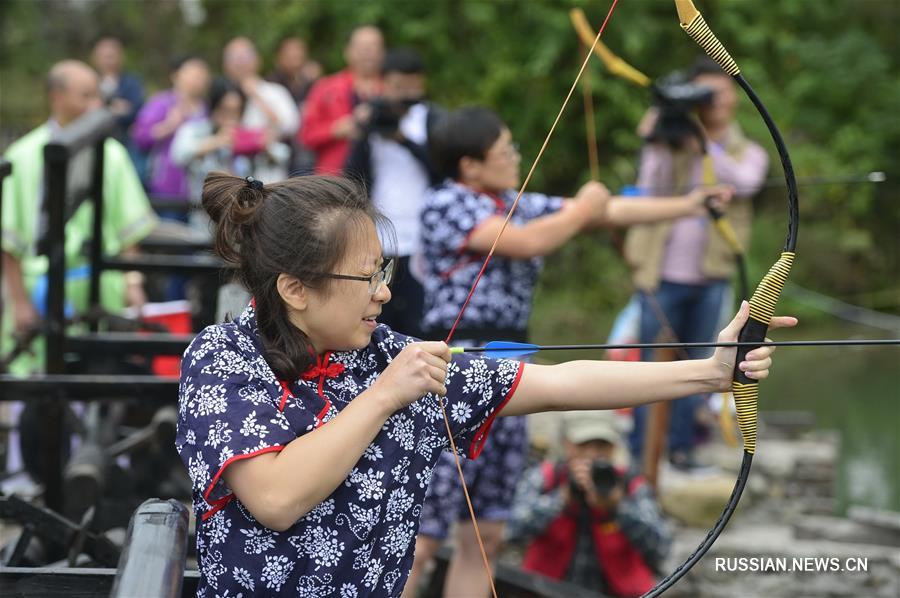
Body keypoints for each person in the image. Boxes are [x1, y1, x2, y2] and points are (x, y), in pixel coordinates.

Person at [175, 171, 791, 597]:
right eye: (366, 277)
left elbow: (556, 383)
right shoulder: (223, 358)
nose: (384, 292)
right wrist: (385, 395)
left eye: (384, 272)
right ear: (294, 288)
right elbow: (277, 498)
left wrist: (709, 372)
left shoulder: (388, 355)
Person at [406, 106, 734, 598]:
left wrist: (690, 205)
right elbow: (528, 240)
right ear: (469, 165)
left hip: (512, 361)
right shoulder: (446, 203)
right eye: (506, 150)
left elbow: (609, 212)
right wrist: (585, 206)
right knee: (424, 536)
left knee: (487, 533)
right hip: (455, 366)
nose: (516, 157)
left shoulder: (510, 200)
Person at [624, 57, 769, 470]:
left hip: (711, 275)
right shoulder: (671, 138)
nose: (713, 101)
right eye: (703, 93)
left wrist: (702, 144)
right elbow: (650, 186)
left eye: (719, 91)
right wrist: (662, 136)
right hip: (660, 275)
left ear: (733, 96)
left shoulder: (746, 150)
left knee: (702, 364)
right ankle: (640, 454)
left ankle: (682, 449)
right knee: (649, 366)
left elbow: (745, 183)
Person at [1, 60, 157, 375]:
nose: (96, 105)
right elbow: (10, 238)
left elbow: (129, 229)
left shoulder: (111, 154)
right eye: (85, 96)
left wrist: (132, 280)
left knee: (96, 383)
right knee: (34, 386)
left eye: (97, 96)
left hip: (99, 287)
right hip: (39, 287)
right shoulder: (22, 154)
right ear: (57, 97)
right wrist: (18, 300)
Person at [507, 411, 671, 597]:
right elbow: (511, 532)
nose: (592, 455)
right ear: (566, 444)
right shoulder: (546, 478)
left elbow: (661, 548)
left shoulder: (631, 484)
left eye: (602, 446)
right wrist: (561, 499)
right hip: (544, 590)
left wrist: (617, 507)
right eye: (583, 445)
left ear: (613, 448)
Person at [344, 48, 441, 338]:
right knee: (379, 312)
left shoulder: (432, 119)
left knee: (418, 317)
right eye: (398, 87)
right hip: (380, 233)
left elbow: (443, 169)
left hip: (423, 235)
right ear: (384, 84)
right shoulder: (374, 115)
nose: (405, 94)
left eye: (412, 86)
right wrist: (363, 129)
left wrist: (404, 141)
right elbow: (352, 173)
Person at [171, 78, 290, 234]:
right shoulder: (195, 131)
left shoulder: (246, 132)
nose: (230, 117)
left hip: (243, 220)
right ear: (213, 107)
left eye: (236, 110)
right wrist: (214, 142)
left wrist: (262, 145)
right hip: (203, 218)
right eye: (224, 109)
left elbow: (282, 155)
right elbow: (178, 155)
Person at [301, 25, 384, 174]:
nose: (369, 52)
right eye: (362, 47)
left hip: (383, 178)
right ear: (347, 51)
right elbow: (306, 135)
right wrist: (336, 129)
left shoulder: (390, 91)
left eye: (374, 47)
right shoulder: (325, 87)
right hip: (336, 181)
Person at [132, 55, 210, 201]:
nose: (198, 79)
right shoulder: (162, 103)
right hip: (165, 188)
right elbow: (140, 137)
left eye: (202, 75)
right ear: (176, 76)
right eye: (193, 74)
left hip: (197, 190)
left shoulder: (205, 109)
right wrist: (169, 126)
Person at [222, 37, 299, 180]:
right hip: (230, 178)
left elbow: (291, 125)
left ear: (257, 60)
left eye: (244, 56)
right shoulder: (219, 95)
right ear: (225, 64)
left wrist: (256, 96)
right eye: (233, 57)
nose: (239, 62)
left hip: (268, 176)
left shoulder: (275, 92)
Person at [268, 35, 323, 176]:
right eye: (290, 54)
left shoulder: (310, 83)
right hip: (281, 148)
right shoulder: (271, 83)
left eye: (298, 53)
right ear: (279, 57)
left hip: (306, 150)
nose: (295, 57)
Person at [90, 36, 145, 173]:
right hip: (93, 143)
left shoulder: (131, 83)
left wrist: (102, 107)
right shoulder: (89, 81)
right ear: (96, 58)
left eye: (112, 56)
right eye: (104, 56)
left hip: (125, 144)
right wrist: (115, 107)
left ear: (121, 58)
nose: (108, 61)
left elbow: (135, 112)